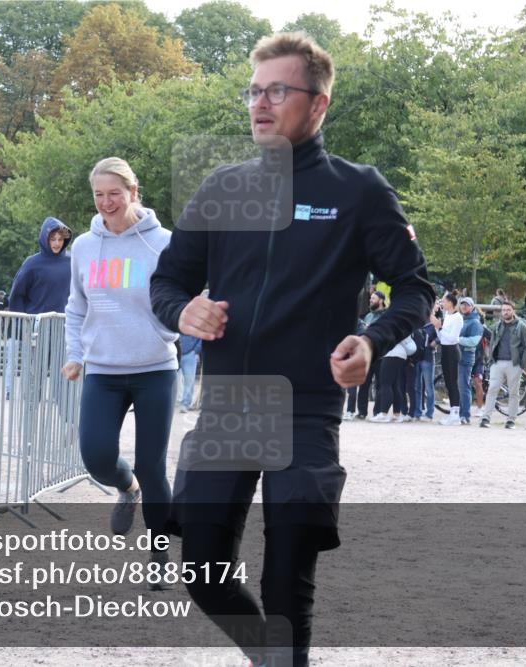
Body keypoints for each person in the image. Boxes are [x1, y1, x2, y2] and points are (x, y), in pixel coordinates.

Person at [149, 33, 434, 667]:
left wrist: (372, 336)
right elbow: (166, 282)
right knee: (201, 569)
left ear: (318, 103)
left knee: (287, 585)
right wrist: (182, 310)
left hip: (306, 407)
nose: (260, 103)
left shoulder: (359, 191)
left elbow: (415, 288)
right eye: (254, 90)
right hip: (228, 405)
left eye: (278, 90)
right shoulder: (222, 187)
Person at [64, 156, 178, 584]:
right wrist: (75, 355)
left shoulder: (164, 243)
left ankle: (160, 558)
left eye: (114, 193)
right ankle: (126, 487)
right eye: (98, 195)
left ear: (133, 192)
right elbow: (76, 307)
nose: (106, 202)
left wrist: (167, 329)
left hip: (154, 368)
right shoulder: (84, 246)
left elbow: (178, 300)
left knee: (154, 466)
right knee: (95, 456)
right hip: (103, 370)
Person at [7, 217, 73, 397]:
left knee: (64, 378)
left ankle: (66, 419)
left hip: (64, 328)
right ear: (45, 239)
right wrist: (22, 328)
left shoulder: (72, 261)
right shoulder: (32, 263)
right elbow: (16, 295)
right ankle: (29, 413)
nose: (57, 243)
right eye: (53, 239)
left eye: (60, 239)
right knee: (35, 376)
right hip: (38, 328)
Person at [479, 300, 526, 429]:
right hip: (497, 362)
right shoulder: (498, 325)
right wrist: (491, 360)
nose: (505, 312)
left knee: (514, 393)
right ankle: (486, 418)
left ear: (513, 311)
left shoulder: (521, 326)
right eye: (503, 310)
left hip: (514, 364)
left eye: (508, 310)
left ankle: (511, 420)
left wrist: (522, 365)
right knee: (492, 389)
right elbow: (492, 343)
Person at [344, 290, 386, 420]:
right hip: (367, 355)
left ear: (381, 300)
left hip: (381, 355)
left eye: (373, 298)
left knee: (380, 384)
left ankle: (378, 412)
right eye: (370, 299)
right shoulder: (368, 316)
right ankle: (362, 412)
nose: (370, 301)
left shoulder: (386, 315)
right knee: (364, 384)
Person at [368, 333, 416, 422]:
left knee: (386, 383)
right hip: (400, 354)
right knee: (394, 385)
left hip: (392, 353)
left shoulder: (395, 322)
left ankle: (383, 414)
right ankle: (396, 414)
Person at [434, 294, 463, 425]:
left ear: (451, 303)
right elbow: (442, 337)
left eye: (444, 301)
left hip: (452, 350)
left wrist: (440, 327)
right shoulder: (447, 316)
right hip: (445, 350)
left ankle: (455, 415)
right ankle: (452, 412)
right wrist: (437, 327)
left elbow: (452, 337)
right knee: (448, 382)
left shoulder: (457, 317)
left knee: (452, 382)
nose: (442, 303)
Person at [456, 297, 483, 425]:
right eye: (462, 304)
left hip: (466, 357)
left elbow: (473, 342)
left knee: (464, 386)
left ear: (472, 307)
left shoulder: (475, 323)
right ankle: (461, 414)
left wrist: (456, 339)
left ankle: (465, 415)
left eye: (467, 305)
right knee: (460, 386)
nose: (464, 306)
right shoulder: (462, 319)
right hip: (457, 356)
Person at [412, 308, 438, 422]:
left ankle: (429, 413)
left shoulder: (432, 324)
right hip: (416, 358)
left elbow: (442, 335)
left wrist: (435, 342)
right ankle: (417, 412)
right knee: (417, 386)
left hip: (428, 357)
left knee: (429, 386)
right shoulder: (414, 324)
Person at [178, 333, 201, 412]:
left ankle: (185, 404)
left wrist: (196, 350)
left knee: (189, 381)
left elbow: (201, 338)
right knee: (170, 381)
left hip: (189, 354)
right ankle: (171, 403)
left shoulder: (195, 322)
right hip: (174, 354)